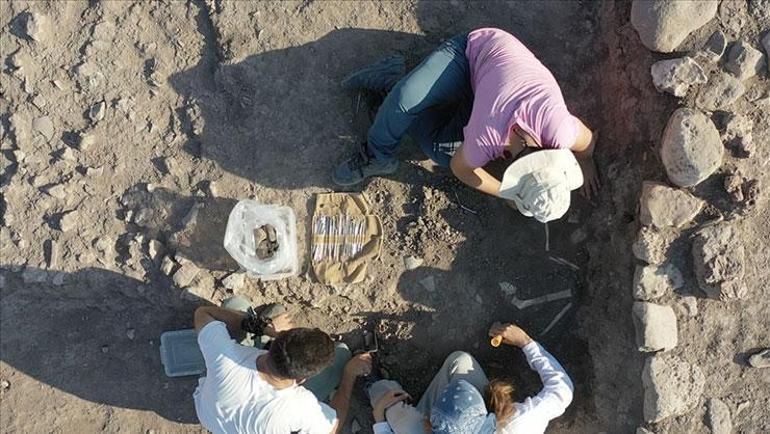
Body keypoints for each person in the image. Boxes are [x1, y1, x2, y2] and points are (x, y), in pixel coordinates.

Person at [333, 27, 599, 222]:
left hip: (485, 92)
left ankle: (431, 91)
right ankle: (394, 88)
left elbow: (587, 140)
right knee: (406, 101)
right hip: (474, 53)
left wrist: (585, 162)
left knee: (441, 148)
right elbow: (461, 169)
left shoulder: (562, 132)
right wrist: (508, 193)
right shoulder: (488, 136)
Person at [193, 296, 372, 434]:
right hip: (221, 422)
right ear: (302, 378)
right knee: (341, 354)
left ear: (277, 340)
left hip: (208, 414)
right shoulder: (301, 406)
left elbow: (203, 313)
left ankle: (257, 332)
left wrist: (263, 327)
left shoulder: (227, 358)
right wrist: (349, 375)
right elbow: (333, 428)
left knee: (234, 303)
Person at [366, 322, 573, 434]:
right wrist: (525, 342)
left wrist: (379, 420)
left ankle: (371, 381)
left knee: (385, 400)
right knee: (460, 361)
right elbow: (561, 391)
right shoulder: (518, 425)